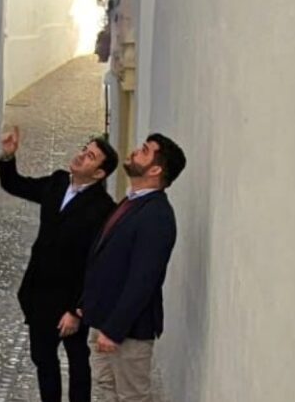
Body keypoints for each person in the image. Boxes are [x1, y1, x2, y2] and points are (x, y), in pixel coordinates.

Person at [0, 126, 119, 402]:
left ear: (99, 174)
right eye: (84, 151)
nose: (81, 156)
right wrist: (8, 156)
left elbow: (96, 265)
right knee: (43, 359)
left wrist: (77, 310)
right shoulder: (58, 182)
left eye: (90, 157)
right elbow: (17, 185)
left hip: (70, 300)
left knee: (77, 362)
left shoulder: (103, 208)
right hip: (39, 294)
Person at [81, 133, 186, 402]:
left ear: (155, 169)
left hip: (128, 332)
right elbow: (107, 259)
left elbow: (144, 280)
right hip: (104, 321)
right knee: (106, 390)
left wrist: (114, 329)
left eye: (145, 150)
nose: (135, 151)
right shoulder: (133, 201)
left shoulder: (157, 216)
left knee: (131, 397)